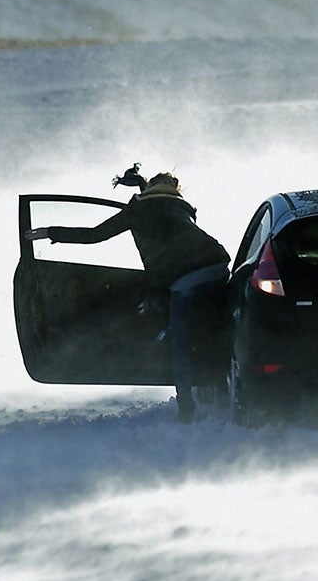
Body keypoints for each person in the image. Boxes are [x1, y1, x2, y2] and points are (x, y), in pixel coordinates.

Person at [30, 168, 229, 421]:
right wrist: (139, 184)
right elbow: (154, 199)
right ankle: (226, 390)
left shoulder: (138, 209)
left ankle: (187, 410)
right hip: (218, 267)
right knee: (218, 330)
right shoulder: (179, 205)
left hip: (185, 278)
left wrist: (52, 232)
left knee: (180, 342)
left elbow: (95, 235)